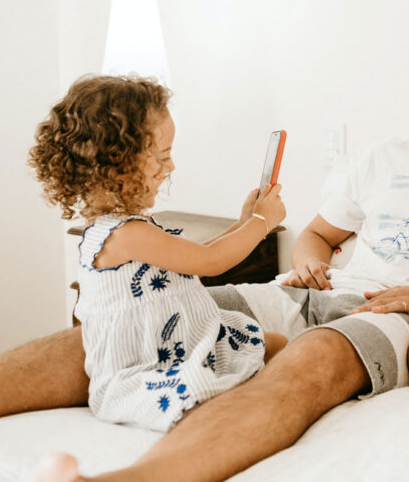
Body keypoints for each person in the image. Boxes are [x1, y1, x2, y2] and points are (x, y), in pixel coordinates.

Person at [8, 16, 409, 481]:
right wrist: (308, 263)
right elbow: (319, 236)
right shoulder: (385, 156)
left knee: (311, 358)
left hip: (398, 316)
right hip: (313, 291)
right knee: (151, 313)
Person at [27, 75, 288, 432]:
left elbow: (195, 255)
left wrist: (245, 222)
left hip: (184, 343)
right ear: (117, 164)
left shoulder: (127, 227)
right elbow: (211, 263)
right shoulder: (124, 235)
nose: (171, 168)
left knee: (273, 344)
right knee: (204, 390)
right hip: (149, 365)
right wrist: (261, 222)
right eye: (162, 158)